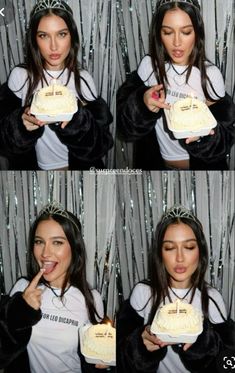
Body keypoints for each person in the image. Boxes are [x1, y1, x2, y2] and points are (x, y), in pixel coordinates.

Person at [117, 0, 235, 170]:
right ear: (159, 34)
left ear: (197, 33)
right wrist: (142, 104)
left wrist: (205, 137)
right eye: (168, 32)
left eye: (186, 32)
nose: (177, 42)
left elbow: (224, 137)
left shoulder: (209, 75)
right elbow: (124, 128)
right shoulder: (149, 67)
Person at [117, 205, 235, 372]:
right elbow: (121, 361)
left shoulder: (211, 299)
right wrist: (140, 348)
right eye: (170, 248)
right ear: (160, 253)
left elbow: (228, 363)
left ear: (200, 251)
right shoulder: (144, 294)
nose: (179, 258)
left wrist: (203, 346)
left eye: (189, 247)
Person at [0, 0, 113, 170]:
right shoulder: (21, 76)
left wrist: (78, 124)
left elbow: (100, 144)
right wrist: (20, 126)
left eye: (61, 34)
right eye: (43, 35)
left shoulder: (82, 79)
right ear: (34, 39)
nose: (53, 46)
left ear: (71, 36)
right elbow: (3, 138)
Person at [0, 201, 110, 372]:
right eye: (39, 242)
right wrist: (21, 311)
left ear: (74, 248)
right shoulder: (22, 288)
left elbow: (94, 356)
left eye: (57, 242)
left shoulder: (91, 298)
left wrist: (101, 362)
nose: (45, 253)